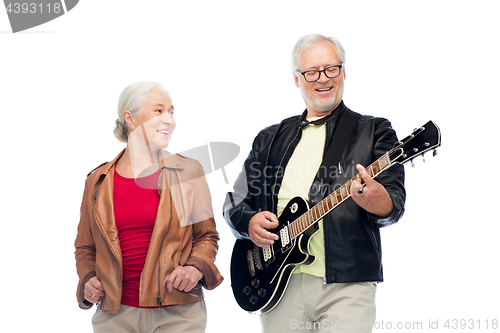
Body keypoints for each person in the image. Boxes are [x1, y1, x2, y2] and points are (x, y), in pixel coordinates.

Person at [223, 34, 405, 332]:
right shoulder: (270, 138)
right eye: (311, 72)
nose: (323, 79)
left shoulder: (374, 131)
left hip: (347, 283)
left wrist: (378, 201)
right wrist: (249, 222)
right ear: (297, 79)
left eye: (331, 68)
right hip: (279, 283)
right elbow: (235, 202)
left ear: (343, 71)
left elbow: (394, 205)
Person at [75, 81, 223, 333]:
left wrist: (195, 268)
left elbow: (206, 236)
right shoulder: (97, 181)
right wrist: (88, 279)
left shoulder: (189, 171)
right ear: (130, 118)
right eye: (159, 111)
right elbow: (85, 247)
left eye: (172, 112)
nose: (169, 120)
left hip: (178, 313)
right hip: (114, 315)